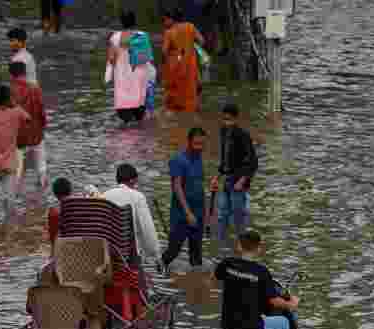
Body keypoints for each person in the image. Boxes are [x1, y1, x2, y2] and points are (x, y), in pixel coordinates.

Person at [213, 230, 299, 329]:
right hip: (252, 327)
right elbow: (274, 302)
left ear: (239, 246)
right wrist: (291, 304)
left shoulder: (227, 264)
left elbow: (215, 279)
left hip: (228, 325)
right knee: (284, 323)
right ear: (259, 248)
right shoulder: (261, 271)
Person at [161, 127, 208, 272]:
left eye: (202, 144)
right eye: (196, 144)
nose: (199, 147)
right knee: (173, 251)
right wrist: (188, 213)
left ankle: (196, 286)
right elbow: (177, 187)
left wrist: (206, 214)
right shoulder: (178, 160)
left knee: (196, 254)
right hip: (181, 214)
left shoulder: (199, 158)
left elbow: (199, 185)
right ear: (188, 142)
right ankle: (158, 270)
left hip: (199, 212)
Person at [210, 102, 258, 242]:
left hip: (239, 182)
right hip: (227, 180)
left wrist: (242, 181)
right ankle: (222, 244)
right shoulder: (223, 132)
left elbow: (253, 163)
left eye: (229, 119)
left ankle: (241, 245)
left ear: (236, 119)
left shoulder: (243, 136)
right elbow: (225, 159)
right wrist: (217, 177)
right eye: (224, 119)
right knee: (222, 214)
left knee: (238, 217)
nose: (227, 123)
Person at [0, 84, 31, 217]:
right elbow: (28, 119)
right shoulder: (17, 112)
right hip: (9, 164)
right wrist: (14, 105)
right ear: (9, 98)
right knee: (10, 200)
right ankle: (9, 228)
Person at [101, 163, 161, 264]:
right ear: (132, 180)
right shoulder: (137, 197)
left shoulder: (104, 196)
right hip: (130, 254)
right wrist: (155, 254)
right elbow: (147, 228)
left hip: (107, 251)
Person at [8, 61, 48, 195]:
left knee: (17, 166)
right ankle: (42, 191)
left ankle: (14, 194)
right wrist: (43, 126)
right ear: (25, 73)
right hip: (36, 132)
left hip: (18, 136)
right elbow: (42, 111)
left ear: (11, 75)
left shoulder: (10, 91)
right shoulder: (35, 88)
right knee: (41, 164)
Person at [106, 11, 150, 125]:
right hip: (139, 78)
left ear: (122, 22)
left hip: (122, 79)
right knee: (140, 119)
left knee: (125, 122)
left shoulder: (114, 37)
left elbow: (111, 59)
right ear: (134, 21)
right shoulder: (143, 36)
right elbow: (147, 58)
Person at [161, 8, 204, 113]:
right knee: (194, 88)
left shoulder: (169, 32)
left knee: (175, 93)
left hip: (176, 66)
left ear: (172, 19)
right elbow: (202, 41)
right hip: (191, 65)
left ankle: (179, 118)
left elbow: (164, 51)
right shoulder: (191, 27)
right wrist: (189, 47)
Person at [46, 177, 72, 254]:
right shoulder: (82, 205)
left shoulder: (54, 213)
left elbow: (54, 240)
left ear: (55, 194)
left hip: (66, 251)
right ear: (70, 191)